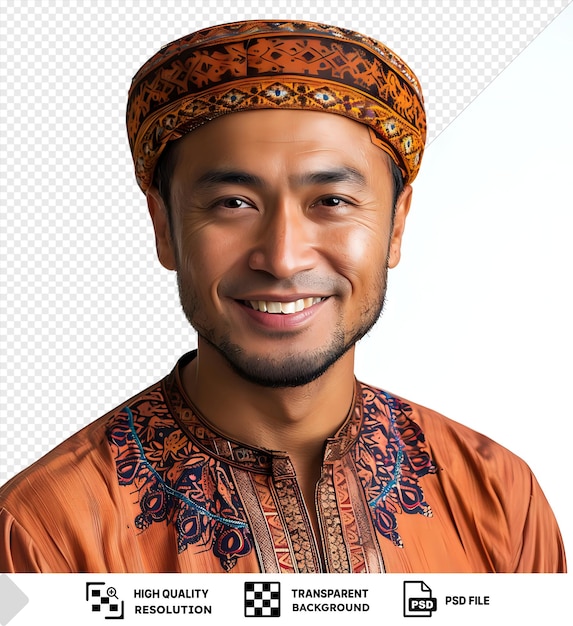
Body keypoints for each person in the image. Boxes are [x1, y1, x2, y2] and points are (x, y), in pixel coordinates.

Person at [0, 19, 566, 574]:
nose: (283, 256)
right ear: (164, 227)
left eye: (332, 202)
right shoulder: (45, 537)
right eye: (233, 203)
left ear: (396, 227)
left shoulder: (501, 502)